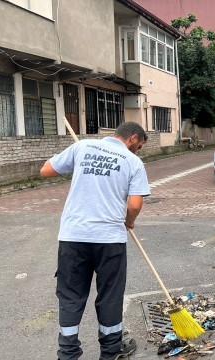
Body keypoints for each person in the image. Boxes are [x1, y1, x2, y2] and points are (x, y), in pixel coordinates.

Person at [40, 122, 150, 360]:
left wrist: (80, 165)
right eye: (139, 146)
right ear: (132, 138)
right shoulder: (133, 163)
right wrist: (129, 221)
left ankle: (67, 353)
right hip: (110, 240)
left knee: (70, 295)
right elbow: (134, 204)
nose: (137, 151)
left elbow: (46, 170)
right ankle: (110, 353)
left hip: (73, 237)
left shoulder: (83, 147)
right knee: (110, 295)